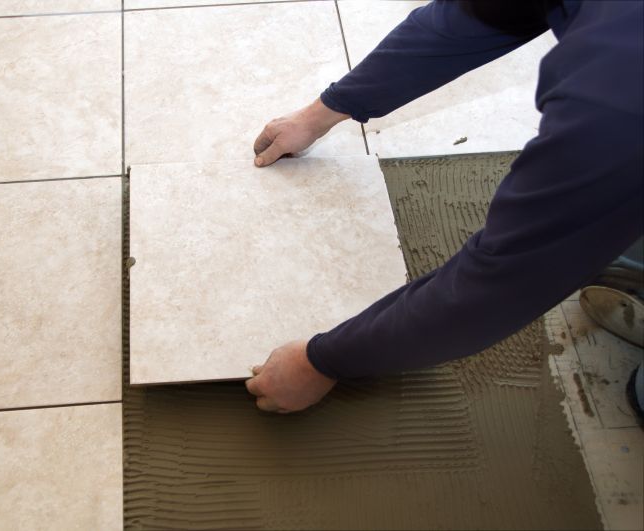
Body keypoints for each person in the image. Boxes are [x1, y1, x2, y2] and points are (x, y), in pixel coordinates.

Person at [244, 0, 644, 416]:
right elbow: (468, 21)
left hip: (625, 111)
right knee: (613, 211)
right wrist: (323, 112)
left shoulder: (614, 101)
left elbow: (503, 284)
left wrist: (320, 361)